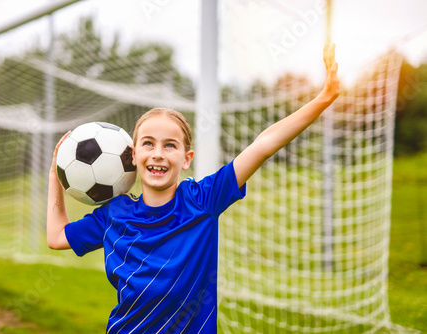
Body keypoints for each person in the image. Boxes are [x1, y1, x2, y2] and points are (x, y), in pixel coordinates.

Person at [47, 43, 340, 333]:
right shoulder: (114, 214)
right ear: (133, 155)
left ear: (186, 159)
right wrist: (54, 177)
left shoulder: (202, 200)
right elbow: (57, 236)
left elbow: (262, 146)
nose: (158, 153)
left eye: (170, 145)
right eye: (148, 143)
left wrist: (322, 99)